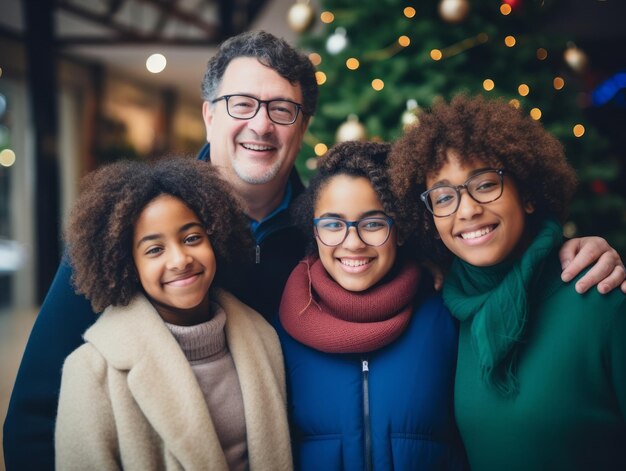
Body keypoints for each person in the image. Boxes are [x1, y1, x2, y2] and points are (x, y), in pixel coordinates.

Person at [3, 30, 624, 470]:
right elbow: (36, 415)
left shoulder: (326, 237)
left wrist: (574, 251)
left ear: (302, 128)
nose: (261, 124)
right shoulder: (129, 234)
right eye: (241, 104)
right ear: (208, 113)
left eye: (282, 109)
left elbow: (476, 247)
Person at [388, 94, 626, 470]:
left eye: (484, 184)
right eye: (443, 196)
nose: (467, 210)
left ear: (527, 194)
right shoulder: (445, 314)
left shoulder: (602, 297)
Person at [55, 157, 291, 470]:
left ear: (216, 240)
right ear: (129, 265)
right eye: (154, 249)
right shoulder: (91, 371)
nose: (180, 259)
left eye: (192, 238)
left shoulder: (263, 338)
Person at [276, 141, 467, 470]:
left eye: (373, 223)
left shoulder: (446, 312)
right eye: (333, 224)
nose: (353, 243)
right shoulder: (280, 329)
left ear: (400, 229)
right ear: (314, 230)